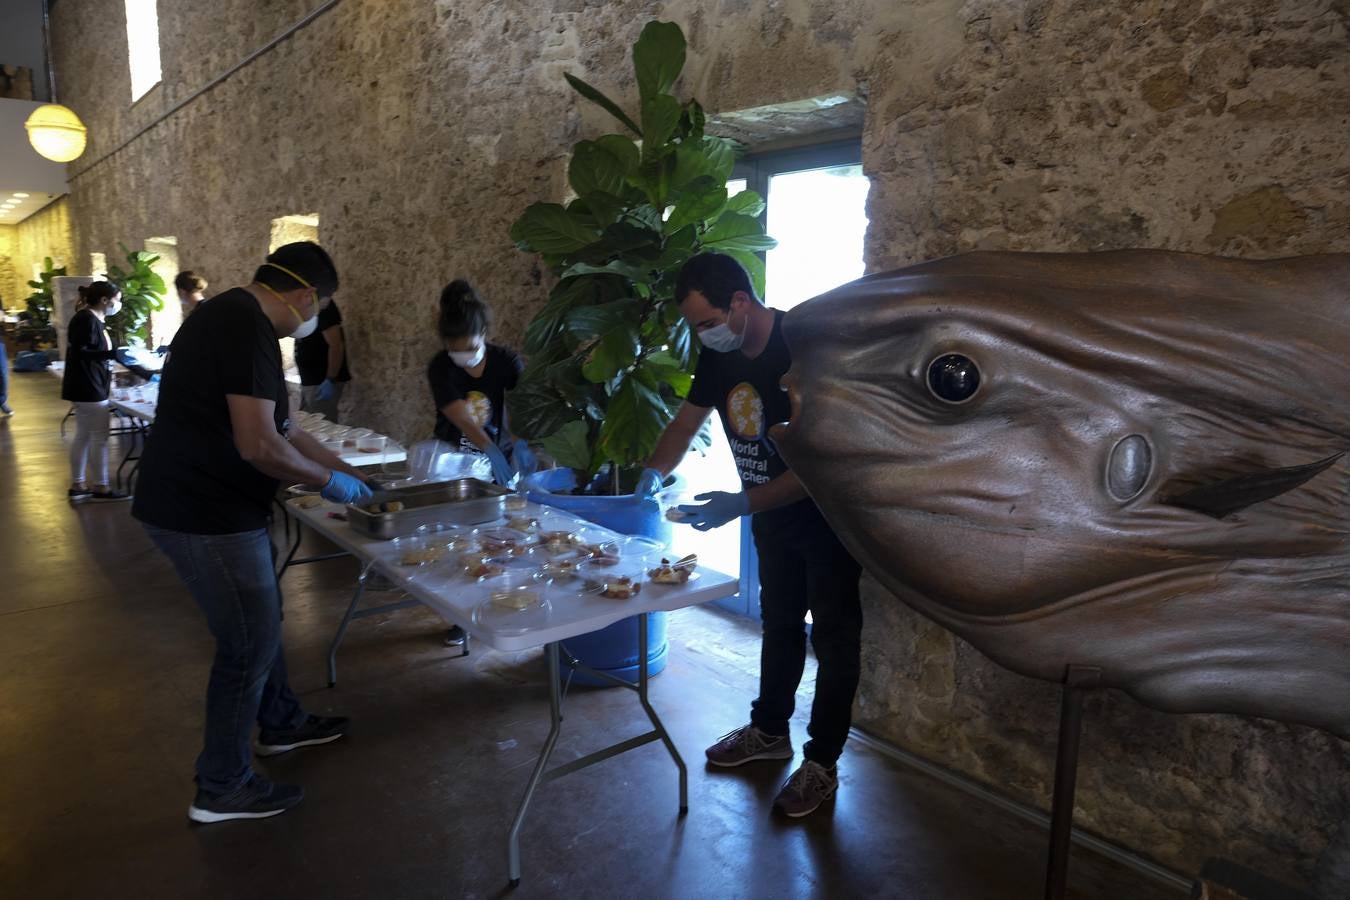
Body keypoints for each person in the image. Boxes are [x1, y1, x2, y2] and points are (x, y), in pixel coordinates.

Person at [132, 241, 373, 824]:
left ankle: (282, 723)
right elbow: (259, 446)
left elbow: (284, 428)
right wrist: (329, 486)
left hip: (217, 505)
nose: (312, 323)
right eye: (319, 309)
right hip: (202, 513)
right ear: (306, 296)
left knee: (261, 623)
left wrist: (353, 476)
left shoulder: (238, 318)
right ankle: (221, 785)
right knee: (247, 643)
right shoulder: (245, 326)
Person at [637, 252, 863, 819]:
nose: (701, 335)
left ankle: (823, 763)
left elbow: (816, 466)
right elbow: (684, 424)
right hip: (772, 516)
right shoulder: (720, 358)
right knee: (780, 622)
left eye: (705, 322)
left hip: (828, 518)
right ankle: (769, 731)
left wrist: (741, 503)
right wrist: (648, 477)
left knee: (835, 639)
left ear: (739, 302)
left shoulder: (804, 350)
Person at [426, 279, 535, 486]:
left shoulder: (507, 362)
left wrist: (519, 442)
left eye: (469, 348)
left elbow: (519, 407)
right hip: (454, 460)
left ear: (483, 332)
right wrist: (489, 450)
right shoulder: (440, 367)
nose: (463, 356)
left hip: (503, 454)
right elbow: (463, 418)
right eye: (455, 350)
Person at [61, 281, 154, 502]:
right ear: (105, 300)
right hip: (88, 386)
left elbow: (94, 352)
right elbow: (83, 352)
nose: (118, 304)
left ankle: (78, 484)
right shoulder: (86, 319)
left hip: (88, 384)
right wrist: (113, 356)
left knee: (84, 435)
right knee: (98, 437)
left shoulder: (93, 319)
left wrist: (127, 361)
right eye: (117, 299)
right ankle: (100, 487)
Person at [296, 293, 351, 422]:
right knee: (306, 425)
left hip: (321, 381)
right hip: (309, 380)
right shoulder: (305, 305)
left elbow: (336, 345)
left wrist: (330, 379)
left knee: (322, 427)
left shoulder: (323, 305)